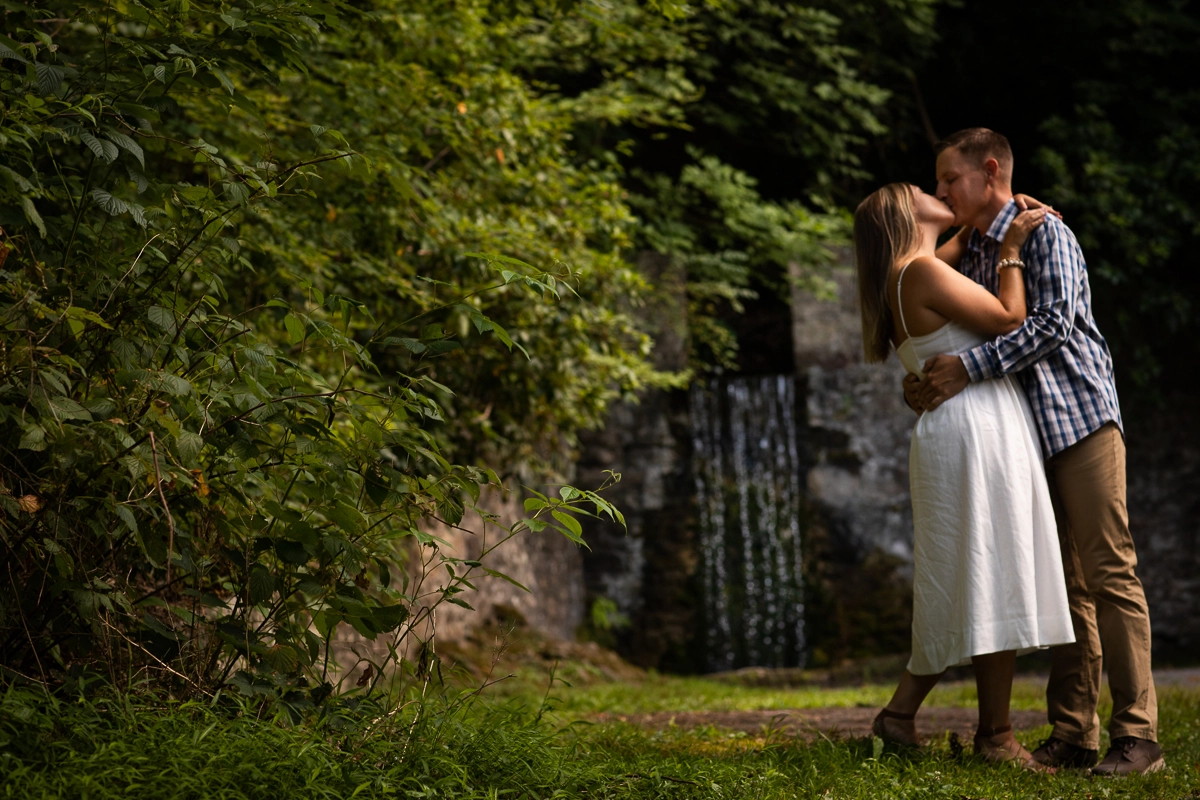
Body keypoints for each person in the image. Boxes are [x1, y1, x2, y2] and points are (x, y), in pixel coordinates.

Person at [906, 128, 1162, 776]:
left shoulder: (1047, 234)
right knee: (1070, 589)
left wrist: (966, 367)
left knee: (1111, 576)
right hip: (1024, 441)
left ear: (990, 171)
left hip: (1079, 422)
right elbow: (946, 312)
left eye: (949, 180)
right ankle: (1074, 736)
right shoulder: (972, 257)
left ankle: (1140, 739)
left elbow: (1050, 325)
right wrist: (925, 378)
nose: (940, 191)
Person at [855, 182, 1074, 770]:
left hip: (961, 429)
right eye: (922, 189)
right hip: (975, 431)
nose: (935, 189)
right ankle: (995, 738)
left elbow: (956, 244)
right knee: (987, 569)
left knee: (971, 575)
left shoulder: (910, 271)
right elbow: (1008, 318)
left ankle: (903, 717)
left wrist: (990, 224)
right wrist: (1011, 252)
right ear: (905, 215)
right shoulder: (918, 271)